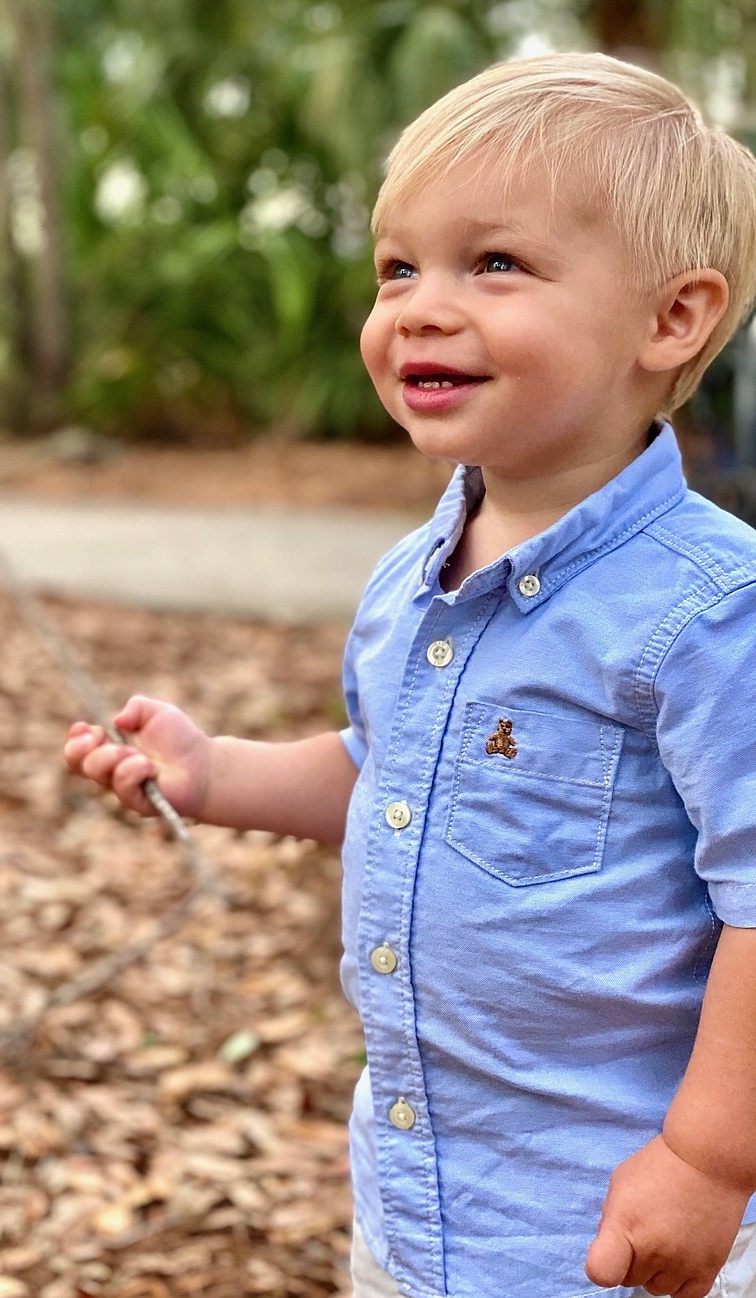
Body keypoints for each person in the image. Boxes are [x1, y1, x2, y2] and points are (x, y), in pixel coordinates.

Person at [65, 50, 756, 1298]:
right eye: (398, 266)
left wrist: (709, 1161)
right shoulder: (410, 580)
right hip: (424, 1194)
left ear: (672, 318)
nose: (418, 308)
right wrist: (215, 772)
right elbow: (387, 768)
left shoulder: (715, 611)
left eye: (493, 263)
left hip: (615, 1220)